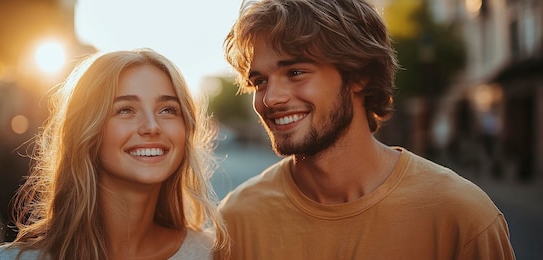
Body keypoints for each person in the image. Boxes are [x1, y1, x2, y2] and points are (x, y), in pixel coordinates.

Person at [216, 0, 515, 259]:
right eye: (259, 81)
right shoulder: (236, 221)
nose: (270, 98)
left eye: (295, 72)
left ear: (358, 75)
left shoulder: (462, 217)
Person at [0, 49, 228, 259]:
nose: (152, 126)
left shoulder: (213, 253)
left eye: (167, 109)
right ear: (86, 131)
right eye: (125, 110)